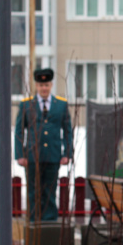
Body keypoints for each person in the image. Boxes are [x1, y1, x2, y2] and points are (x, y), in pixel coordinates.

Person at [15, 68, 73, 222]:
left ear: (51, 85)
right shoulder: (26, 105)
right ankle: (34, 223)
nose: (44, 88)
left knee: (50, 192)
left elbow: (67, 131)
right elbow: (19, 132)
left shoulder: (61, 105)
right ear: (36, 86)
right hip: (33, 157)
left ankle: (49, 223)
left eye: (46, 85)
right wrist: (20, 155)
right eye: (41, 85)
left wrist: (67, 153)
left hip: (53, 156)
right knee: (34, 192)